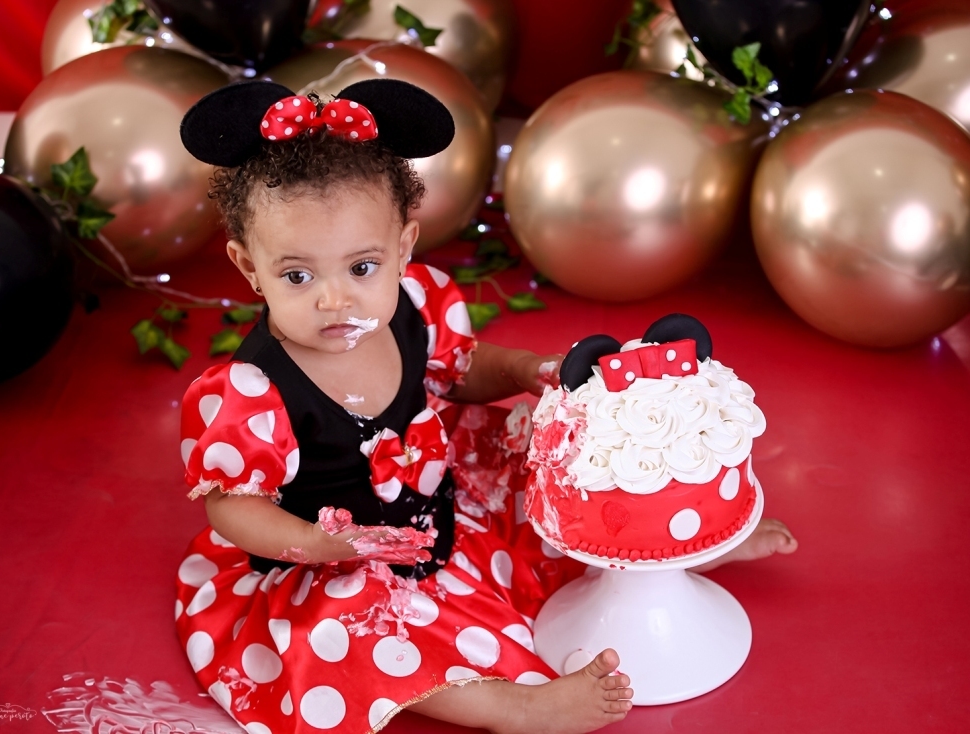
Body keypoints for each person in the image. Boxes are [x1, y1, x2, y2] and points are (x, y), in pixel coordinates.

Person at [174, 79, 797, 734]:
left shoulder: (414, 307)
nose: (336, 300)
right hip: (341, 560)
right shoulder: (253, 388)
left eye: (361, 268)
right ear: (249, 267)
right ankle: (512, 707)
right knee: (355, 628)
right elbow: (230, 505)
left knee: (553, 466)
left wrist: (522, 370)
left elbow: (463, 369)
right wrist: (312, 542)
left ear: (403, 249)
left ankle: (671, 552)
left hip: (443, 503)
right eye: (298, 276)